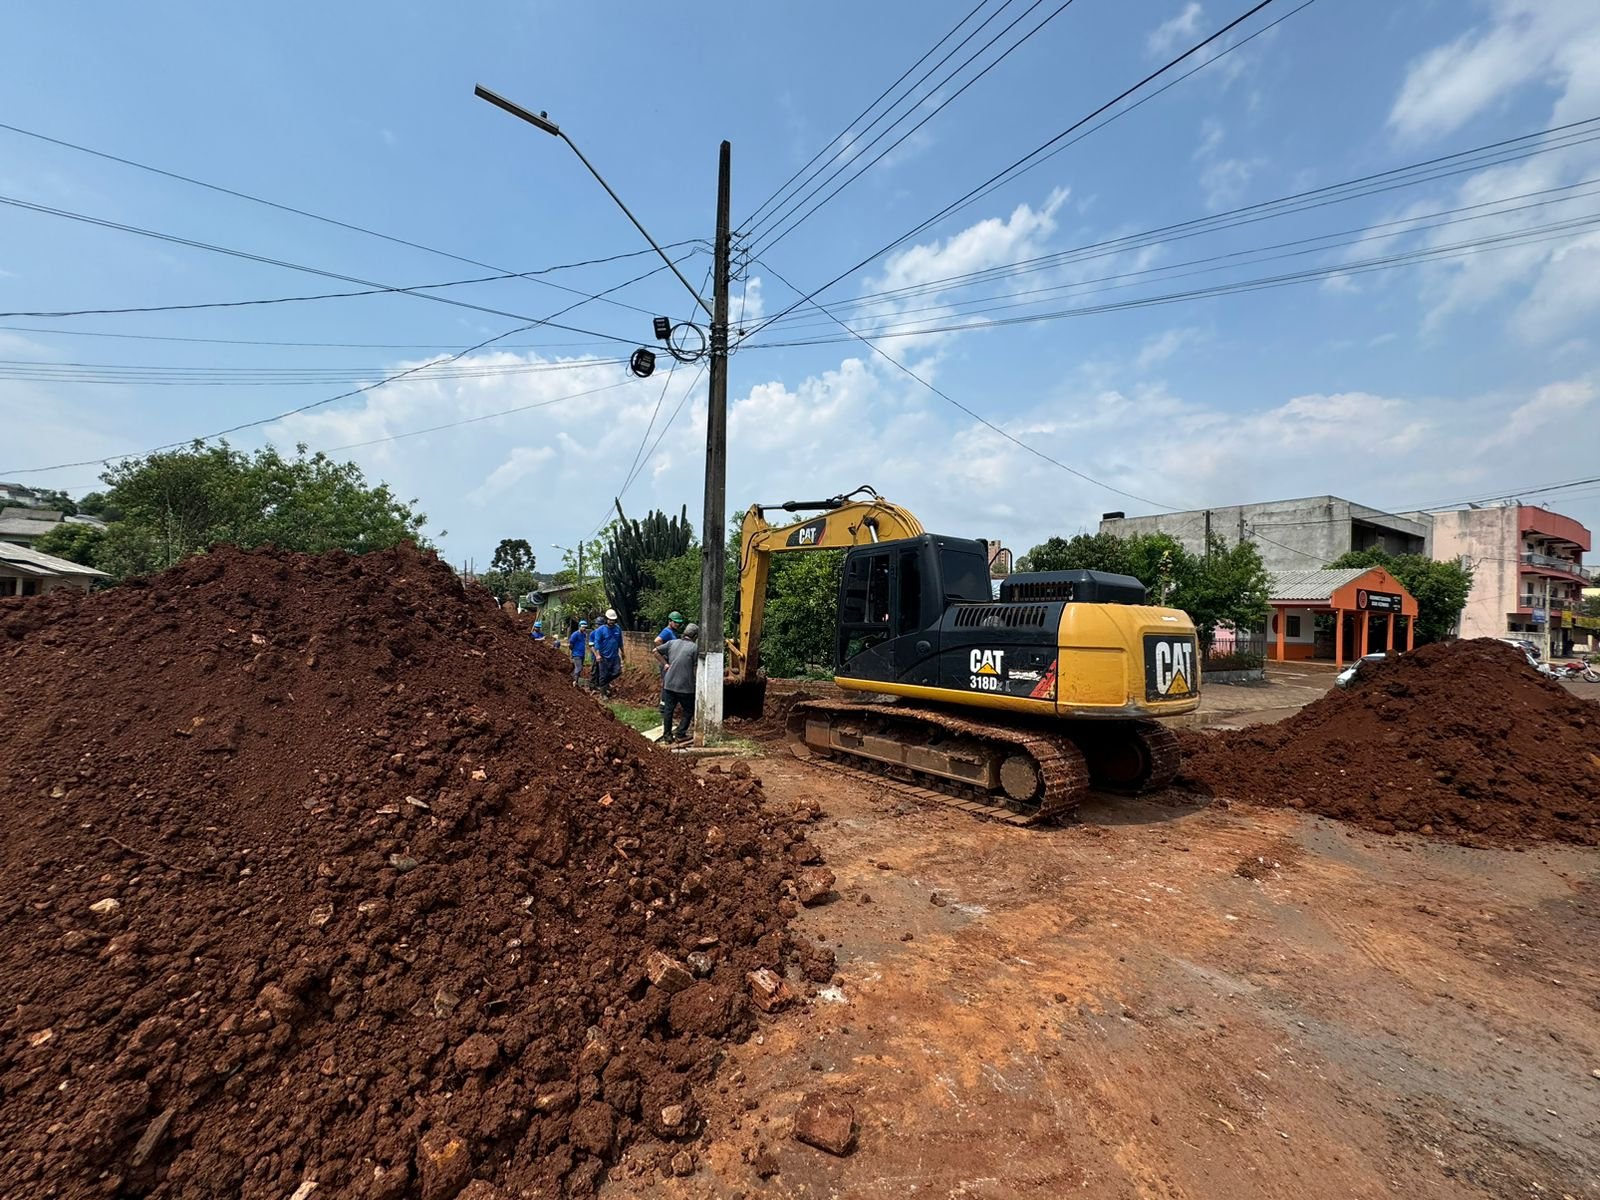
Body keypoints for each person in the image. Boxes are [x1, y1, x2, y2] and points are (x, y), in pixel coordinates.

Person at [656, 622, 699, 745]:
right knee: (689, 709)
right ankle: (680, 734)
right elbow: (696, 667)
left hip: (669, 683)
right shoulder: (694, 648)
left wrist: (665, 664)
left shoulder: (672, 643)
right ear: (695, 636)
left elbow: (655, 651)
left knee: (669, 710)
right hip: (685, 687)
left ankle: (667, 736)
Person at [592, 608, 625, 697]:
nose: (612, 622)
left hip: (614, 656)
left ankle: (605, 684)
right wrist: (598, 655)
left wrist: (622, 652)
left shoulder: (617, 629)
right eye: (610, 620)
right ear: (606, 619)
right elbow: (597, 643)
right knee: (603, 675)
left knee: (617, 672)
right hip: (603, 657)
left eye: (613, 620)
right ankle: (603, 694)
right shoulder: (600, 630)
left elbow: (620, 642)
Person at [653, 611, 685, 677]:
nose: (677, 624)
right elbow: (657, 641)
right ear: (670, 621)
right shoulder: (667, 631)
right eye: (675, 622)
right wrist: (665, 652)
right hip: (667, 663)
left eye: (679, 623)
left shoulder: (674, 631)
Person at [568, 619, 590, 686]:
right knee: (578, 667)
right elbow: (570, 644)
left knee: (578, 668)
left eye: (585, 627)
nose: (584, 629)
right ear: (579, 626)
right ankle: (575, 681)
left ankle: (572, 678)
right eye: (583, 627)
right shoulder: (575, 634)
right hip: (576, 654)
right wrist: (573, 652)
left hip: (582, 654)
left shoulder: (584, 635)